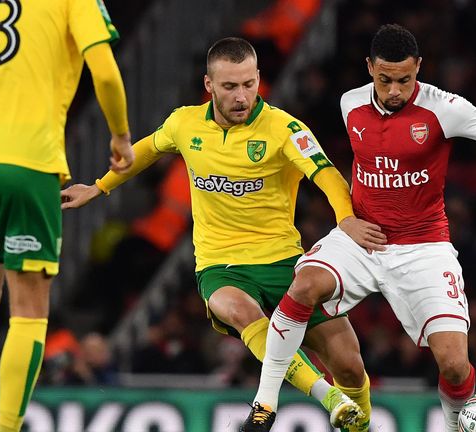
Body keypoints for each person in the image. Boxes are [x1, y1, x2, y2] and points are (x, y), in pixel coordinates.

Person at [249, 24, 476, 432]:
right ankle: (264, 405)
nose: (394, 90)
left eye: (405, 80)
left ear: (419, 68)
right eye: (385, 79)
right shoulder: (350, 103)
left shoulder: (444, 108)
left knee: (455, 364)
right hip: (362, 238)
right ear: (369, 67)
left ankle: (456, 426)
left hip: (424, 246)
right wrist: (348, 220)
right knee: (302, 286)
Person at [61, 37, 383, 431]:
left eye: (249, 84)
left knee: (350, 367)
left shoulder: (284, 128)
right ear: (209, 85)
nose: (242, 96)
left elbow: (328, 175)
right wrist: (99, 187)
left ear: (259, 78)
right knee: (241, 312)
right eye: (230, 86)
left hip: (284, 261)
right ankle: (323, 396)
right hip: (220, 264)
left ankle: (355, 420)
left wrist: (346, 217)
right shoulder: (185, 123)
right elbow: (145, 150)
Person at [0, 0, 135, 431]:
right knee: (28, 311)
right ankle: (8, 427)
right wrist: (120, 136)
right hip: (28, 162)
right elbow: (106, 71)